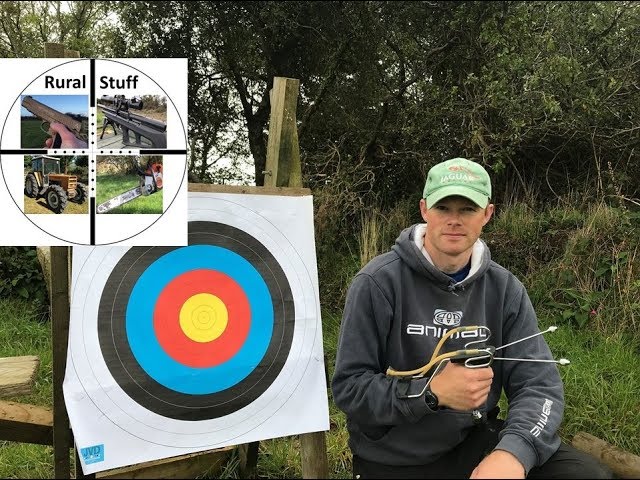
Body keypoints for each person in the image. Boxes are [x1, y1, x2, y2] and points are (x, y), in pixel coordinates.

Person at [331, 157, 611, 479]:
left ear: (487, 215)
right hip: (394, 458)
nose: (454, 220)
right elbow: (350, 389)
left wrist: (512, 454)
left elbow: (539, 387)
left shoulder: (505, 289)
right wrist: (430, 392)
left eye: (467, 209)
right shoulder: (377, 283)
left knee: (587, 474)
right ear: (424, 210)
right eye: (443, 208)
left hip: (474, 441)